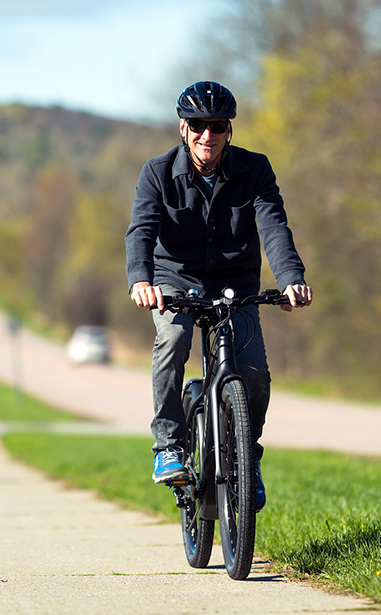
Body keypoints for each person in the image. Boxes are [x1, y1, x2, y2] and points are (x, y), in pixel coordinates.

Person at [125, 80, 312, 511]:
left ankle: (249, 458)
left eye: (217, 126)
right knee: (172, 341)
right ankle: (169, 447)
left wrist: (290, 279)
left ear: (230, 130)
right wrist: (141, 280)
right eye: (197, 125)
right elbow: (142, 230)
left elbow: (274, 228)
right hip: (174, 279)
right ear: (182, 128)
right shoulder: (157, 172)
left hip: (235, 284)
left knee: (255, 374)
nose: (206, 135)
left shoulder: (255, 169)